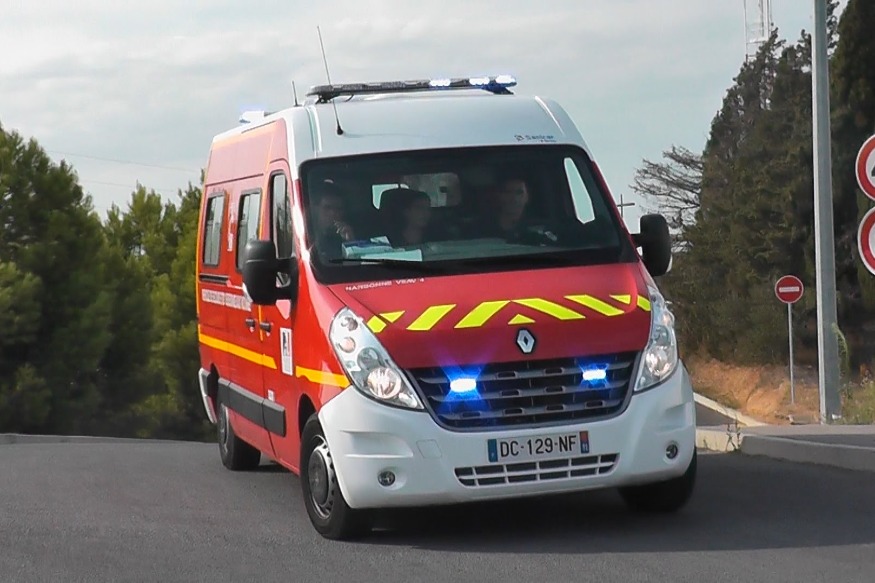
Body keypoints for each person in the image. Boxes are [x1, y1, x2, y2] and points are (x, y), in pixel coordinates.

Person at [309, 179, 355, 259]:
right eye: (327, 208)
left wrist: (351, 244)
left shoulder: (346, 236)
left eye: (338, 209)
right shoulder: (306, 235)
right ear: (316, 209)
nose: (333, 214)